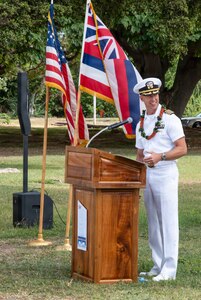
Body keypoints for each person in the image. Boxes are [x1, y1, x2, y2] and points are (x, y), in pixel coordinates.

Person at [134, 77, 187, 282]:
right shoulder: (141, 122)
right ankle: (158, 265)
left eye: (155, 94)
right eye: (148, 95)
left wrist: (161, 156)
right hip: (148, 174)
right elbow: (139, 154)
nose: (153, 98)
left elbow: (182, 148)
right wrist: (135, 178)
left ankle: (169, 269)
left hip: (165, 173)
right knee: (153, 222)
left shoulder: (170, 119)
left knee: (168, 221)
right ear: (142, 98)